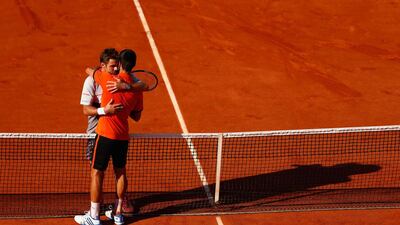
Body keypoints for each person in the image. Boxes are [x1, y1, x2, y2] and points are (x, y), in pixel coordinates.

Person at [75, 48, 143, 225]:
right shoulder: (137, 89)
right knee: (120, 173)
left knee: (97, 173)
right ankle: (118, 214)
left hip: (104, 135)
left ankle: (94, 216)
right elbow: (136, 116)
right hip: (122, 137)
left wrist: (107, 109)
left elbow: (89, 70)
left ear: (119, 64)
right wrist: (127, 92)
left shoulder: (107, 79)